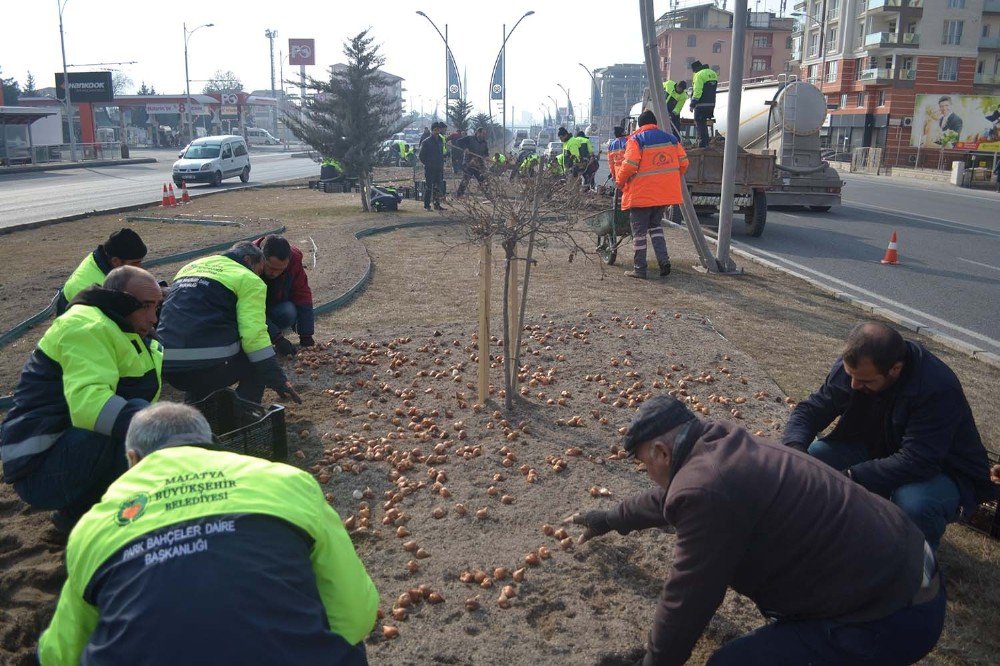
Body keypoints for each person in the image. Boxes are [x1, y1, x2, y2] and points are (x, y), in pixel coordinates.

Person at [566, 394, 946, 666]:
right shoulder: (719, 445)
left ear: (663, 453)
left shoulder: (706, 488)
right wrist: (610, 519)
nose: (647, 474)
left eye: (644, 464)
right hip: (911, 568)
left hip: (893, 617)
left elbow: (688, 599)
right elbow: (670, 501)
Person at [38, 402, 379, 665]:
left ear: (132, 457)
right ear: (207, 442)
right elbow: (356, 615)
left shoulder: (94, 525)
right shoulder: (288, 481)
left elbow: (58, 654)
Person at [783, 322, 994, 549]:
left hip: (942, 469)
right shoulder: (856, 366)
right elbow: (812, 409)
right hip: (882, 446)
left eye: (865, 381)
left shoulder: (937, 388)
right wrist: (794, 450)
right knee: (814, 460)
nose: (854, 385)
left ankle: (916, 567)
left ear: (895, 369)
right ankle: (825, 537)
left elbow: (918, 461)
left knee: (914, 504)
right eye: (850, 375)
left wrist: (852, 476)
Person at [1, 266, 163, 532]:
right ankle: (83, 514)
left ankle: (81, 512)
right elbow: (90, 406)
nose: (153, 318)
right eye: (145, 307)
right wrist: (166, 429)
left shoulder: (127, 328)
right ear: (120, 300)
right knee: (134, 419)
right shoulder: (86, 325)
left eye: (156, 306)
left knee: (136, 421)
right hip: (37, 467)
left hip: (65, 451)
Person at [157, 241, 300, 405]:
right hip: (206, 367)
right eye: (259, 270)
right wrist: (276, 377)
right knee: (256, 361)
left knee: (201, 343)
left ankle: (197, 408)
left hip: (167, 365)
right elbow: (254, 336)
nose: (259, 276)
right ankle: (244, 414)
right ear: (248, 260)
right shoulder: (248, 278)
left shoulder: (191, 267)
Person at [615, 110, 688, 279]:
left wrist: (619, 182)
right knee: (656, 228)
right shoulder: (671, 139)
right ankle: (664, 262)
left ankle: (640, 269)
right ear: (655, 123)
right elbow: (684, 162)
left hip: (641, 195)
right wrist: (668, 179)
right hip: (662, 195)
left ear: (640, 125)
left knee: (639, 233)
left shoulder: (636, 140)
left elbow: (630, 165)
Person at [56, 228, 148, 315]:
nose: (140, 268)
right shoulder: (96, 288)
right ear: (115, 261)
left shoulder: (100, 257)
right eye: (135, 263)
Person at [252, 235, 315, 356]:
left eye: (280, 269)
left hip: (273, 304)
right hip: (247, 310)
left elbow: (302, 294)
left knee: (288, 311)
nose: (274, 273)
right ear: (261, 259)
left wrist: (306, 334)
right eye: (271, 268)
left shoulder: (294, 260)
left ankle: (271, 332)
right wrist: (277, 339)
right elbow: (251, 309)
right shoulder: (248, 261)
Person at [419, 122, 447, 211]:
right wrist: (427, 163)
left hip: (438, 168)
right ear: (432, 130)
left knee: (438, 187)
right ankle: (427, 205)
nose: (437, 132)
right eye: (435, 130)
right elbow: (421, 156)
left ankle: (437, 204)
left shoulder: (440, 140)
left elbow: (441, 153)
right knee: (429, 187)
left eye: (438, 130)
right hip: (430, 168)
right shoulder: (426, 142)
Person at [690, 61, 719, 148]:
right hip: (711, 103)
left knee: (699, 122)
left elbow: (698, 91)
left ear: (695, 69)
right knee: (704, 122)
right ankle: (705, 142)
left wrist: (692, 104)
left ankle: (703, 143)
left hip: (701, 104)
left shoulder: (699, 75)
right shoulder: (713, 73)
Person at [455, 126, 489, 197]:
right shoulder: (469, 138)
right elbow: (458, 142)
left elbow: (486, 152)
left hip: (479, 164)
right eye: (483, 133)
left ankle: (488, 196)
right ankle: (459, 195)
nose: (484, 135)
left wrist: (485, 157)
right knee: (466, 179)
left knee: (482, 180)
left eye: (485, 134)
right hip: (469, 163)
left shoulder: (484, 143)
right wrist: (465, 148)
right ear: (478, 133)